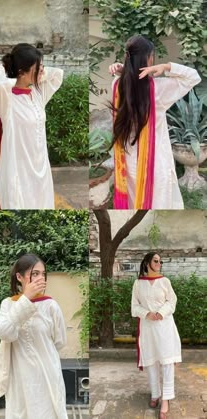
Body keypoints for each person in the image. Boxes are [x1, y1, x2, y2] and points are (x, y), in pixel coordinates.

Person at [109, 35, 201, 209]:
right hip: (154, 164)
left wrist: (125, 73)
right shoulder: (158, 89)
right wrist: (166, 67)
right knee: (158, 203)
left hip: (128, 164)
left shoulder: (117, 85)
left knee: (134, 203)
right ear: (148, 58)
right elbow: (193, 77)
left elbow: (130, 83)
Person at [0, 43, 63, 210]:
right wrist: (4, 66)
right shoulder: (6, 98)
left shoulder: (37, 93)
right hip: (17, 171)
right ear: (21, 71)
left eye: (42, 65)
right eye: (38, 66)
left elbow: (57, 75)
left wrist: (37, 71)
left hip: (41, 170)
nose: (42, 70)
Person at [0, 253, 68, 419]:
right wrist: (26, 298)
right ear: (19, 277)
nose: (40, 278)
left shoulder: (50, 305)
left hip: (46, 376)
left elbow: (59, 341)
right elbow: (5, 332)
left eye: (43, 274)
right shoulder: (8, 304)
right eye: (35, 274)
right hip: (19, 377)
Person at [131, 252, 181, 419]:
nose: (159, 263)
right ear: (147, 263)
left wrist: (161, 313)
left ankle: (166, 399)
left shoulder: (165, 281)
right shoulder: (138, 284)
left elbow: (172, 301)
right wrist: (147, 314)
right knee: (151, 361)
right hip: (148, 329)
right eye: (156, 261)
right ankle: (155, 394)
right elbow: (134, 306)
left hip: (165, 326)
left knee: (167, 363)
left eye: (160, 261)